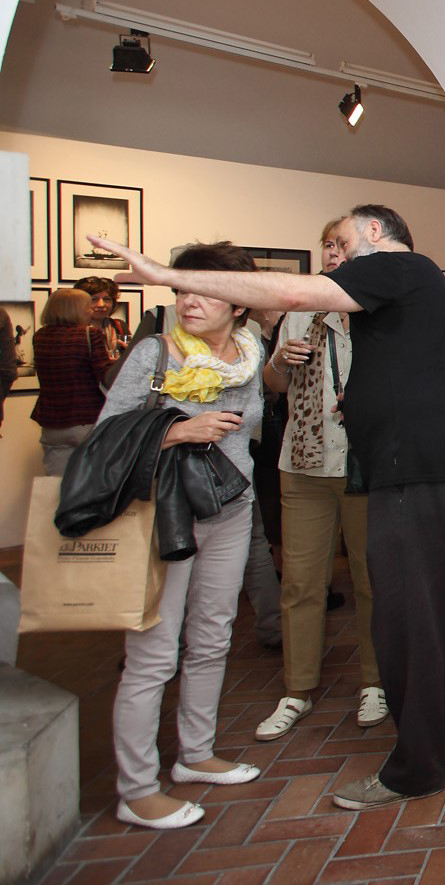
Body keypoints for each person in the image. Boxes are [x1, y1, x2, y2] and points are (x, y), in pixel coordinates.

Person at [92, 203, 445, 812]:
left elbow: (290, 293)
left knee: (405, 623)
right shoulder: (431, 289)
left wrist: (167, 274)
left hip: (410, 474)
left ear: (374, 232)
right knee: (440, 614)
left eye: (344, 242)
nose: (338, 254)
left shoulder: (393, 266)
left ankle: (414, 769)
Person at [101, 243, 267, 829]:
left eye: (205, 290)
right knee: (153, 652)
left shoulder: (250, 353)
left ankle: (195, 755)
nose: (189, 301)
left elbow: (249, 430)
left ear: (239, 303)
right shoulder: (156, 352)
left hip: (232, 508)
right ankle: (137, 788)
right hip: (165, 512)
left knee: (213, 636)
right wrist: (177, 431)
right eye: (181, 289)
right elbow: (107, 433)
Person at [253, 219, 383, 740]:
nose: (332, 253)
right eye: (327, 245)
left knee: (371, 581)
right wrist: (279, 362)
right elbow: (272, 384)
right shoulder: (300, 310)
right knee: (301, 583)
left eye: (341, 245)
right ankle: (296, 688)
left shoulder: (378, 311)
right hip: (303, 462)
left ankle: (375, 682)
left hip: (364, 463)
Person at [30, 288, 112, 474]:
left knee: (56, 482)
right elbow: (105, 374)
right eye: (87, 306)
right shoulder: (90, 334)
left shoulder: (40, 335)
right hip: (87, 417)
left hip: (51, 420)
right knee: (91, 480)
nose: (91, 310)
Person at [73, 275, 129, 364]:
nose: (101, 305)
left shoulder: (119, 326)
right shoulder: (74, 330)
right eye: (93, 299)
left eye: (106, 299)